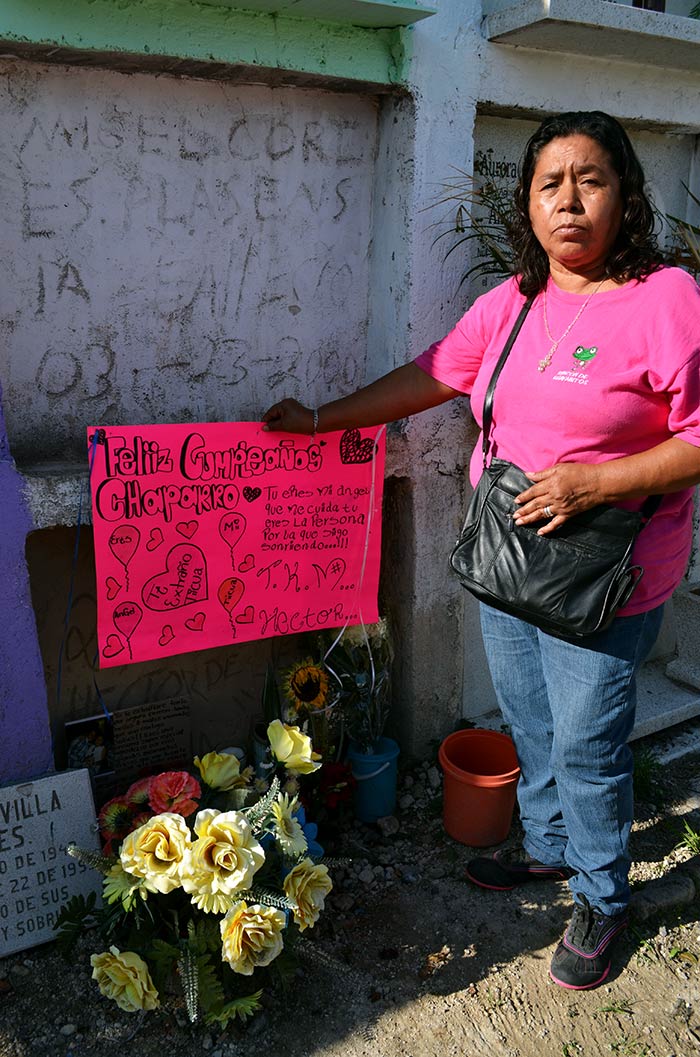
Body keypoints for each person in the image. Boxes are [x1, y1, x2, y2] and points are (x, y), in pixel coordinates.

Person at [263, 111, 700, 990]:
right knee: (531, 718)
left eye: (591, 179)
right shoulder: (514, 301)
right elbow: (430, 374)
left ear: (626, 195)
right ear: (528, 206)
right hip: (509, 559)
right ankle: (546, 846)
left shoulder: (668, 299)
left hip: (604, 579)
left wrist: (596, 482)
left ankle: (603, 895)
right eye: (550, 183)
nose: (569, 199)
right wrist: (316, 420)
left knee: (588, 741)